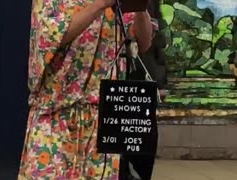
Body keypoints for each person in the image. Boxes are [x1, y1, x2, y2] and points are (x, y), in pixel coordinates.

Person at [18, 0, 156, 179]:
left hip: (102, 119)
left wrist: (140, 8)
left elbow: (144, 43)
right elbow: (48, 37)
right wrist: (100, 5)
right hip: (55, 114)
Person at [119, 0, 167, 179]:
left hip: (137, 88)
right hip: (100, 90)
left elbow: (152, 43)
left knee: (142, 158)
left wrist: (160, 81)